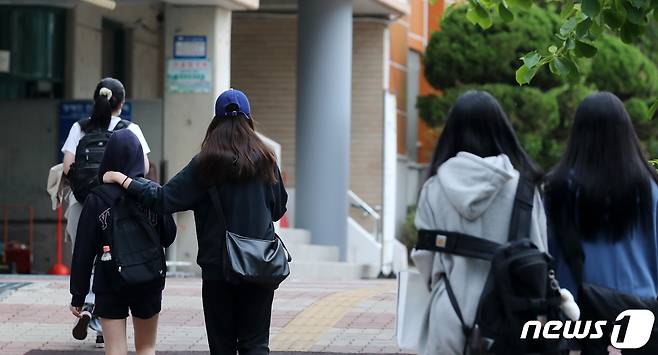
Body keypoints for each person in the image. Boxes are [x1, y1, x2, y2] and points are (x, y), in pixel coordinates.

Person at [103, 89, 288, 355]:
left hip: (218, 269)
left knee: (222, 345)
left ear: (215, 121)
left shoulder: (205, 164)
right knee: (256, 343)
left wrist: (125, 180)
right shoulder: (266, 159)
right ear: (248, 119)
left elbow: (164, 198)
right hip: (260, 265)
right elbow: (277, 209)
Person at [411, 91, 548, 355]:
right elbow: (539, 254)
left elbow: (424, 257)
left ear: (452, 133)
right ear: (501, 131)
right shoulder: (525, 189)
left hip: (448, 316)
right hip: (511, 319)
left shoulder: (433, 188)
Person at [545, 92, 658, 352]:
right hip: (641, 316)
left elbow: (548, 256)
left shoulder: (559, 187)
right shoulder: (649, 187)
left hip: (579, 317)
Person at [70, 129, 176, 355]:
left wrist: (78, 295)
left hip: (110, 280)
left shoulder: (96, 198)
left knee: (115, 350)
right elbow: (169, 236)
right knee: (146, 347)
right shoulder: (153, 193)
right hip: (148, 278)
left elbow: (83, 251)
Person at [62, 78, 151, 346]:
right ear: (121, 103)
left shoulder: (80, 127)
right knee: (113, 257)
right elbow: (143, 169)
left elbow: (68, 167)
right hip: (119, 206)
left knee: (86, 256)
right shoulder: (130, 128)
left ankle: (88, 304)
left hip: (84, 203)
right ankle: (103, 324)